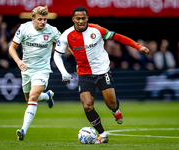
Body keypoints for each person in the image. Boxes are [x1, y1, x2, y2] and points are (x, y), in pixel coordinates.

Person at [54, 6, 150, 143]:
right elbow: (57, 55)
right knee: (87, 106)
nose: (81, 21)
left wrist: (138, 46)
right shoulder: (66, 35)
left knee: (111, 104)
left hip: (102, 72)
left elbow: (118, 37)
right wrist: (64, 73)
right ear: (73, 19)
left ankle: (115, 111)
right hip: (84, 75)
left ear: (87, 18)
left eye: (83, 18)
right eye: (78, 18)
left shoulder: (97, 30)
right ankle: (102, 134)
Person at [9, 6, 61, 141]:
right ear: (33, 19)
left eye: (45, 19)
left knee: (32, 98)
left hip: (42, 70)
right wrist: (18, 61)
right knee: (29, 98)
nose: (43, 22)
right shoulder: (24, 28)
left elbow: (64, 44)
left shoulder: (52, 31)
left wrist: (78, 58)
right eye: (40, 19)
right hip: (26, 69)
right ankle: (47, 96)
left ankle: (23, 131)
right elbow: (12, 47)